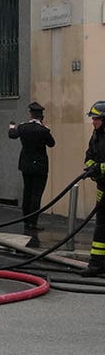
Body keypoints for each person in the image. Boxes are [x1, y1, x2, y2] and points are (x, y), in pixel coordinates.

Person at [8, 101, 55, 233]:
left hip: (26, 165)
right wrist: (46, 129)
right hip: (40, 167)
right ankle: (33, 222)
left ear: (30, 114)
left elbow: (12, 135)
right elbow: (52, 144)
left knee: (27, 192)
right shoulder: (43, 130)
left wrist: (11, 126)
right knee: (36, 195)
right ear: (41, 117)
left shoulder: (23, 127)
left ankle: (26, 220)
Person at [82, 100, 105, 276]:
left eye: (96, 118)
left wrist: (100, 168)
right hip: (102, 188)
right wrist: (91, 167)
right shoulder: (96, 135)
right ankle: (97, 265)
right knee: (101, 226)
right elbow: (89, 155)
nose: (93, 121)